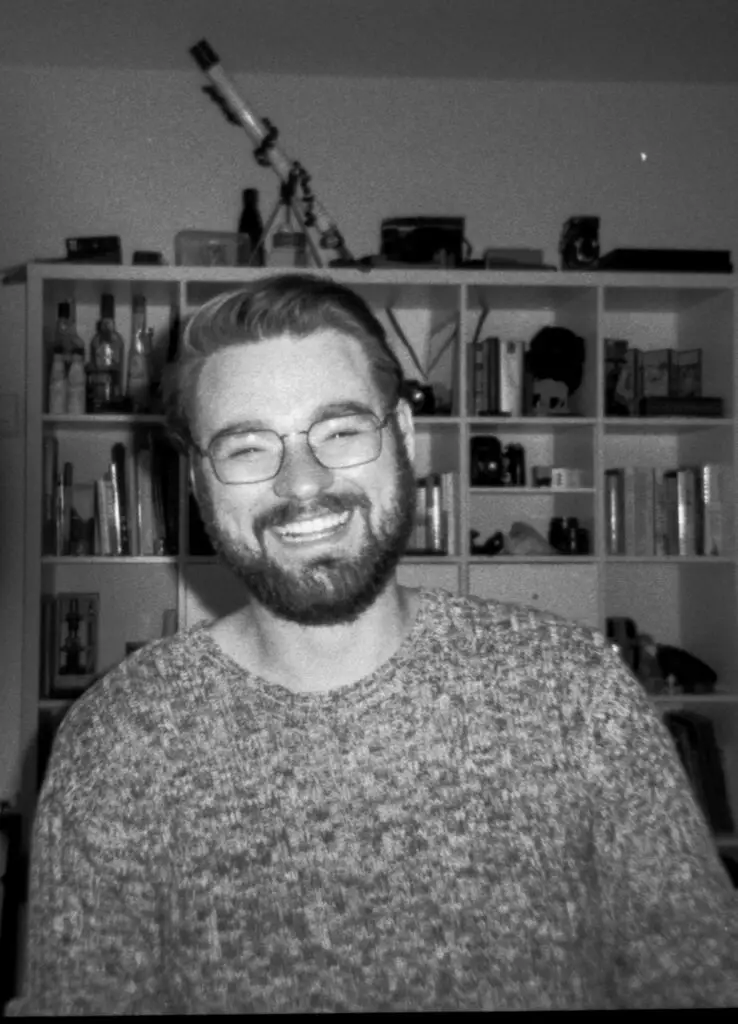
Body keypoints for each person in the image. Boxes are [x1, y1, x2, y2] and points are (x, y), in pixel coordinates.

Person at [7, 274, 738, 1014]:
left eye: (342, 430)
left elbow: (701, 977)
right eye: (248, 446)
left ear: (405, 440)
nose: (302, 483)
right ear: (198, 481)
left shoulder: (577, 694)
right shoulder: (118, 740)